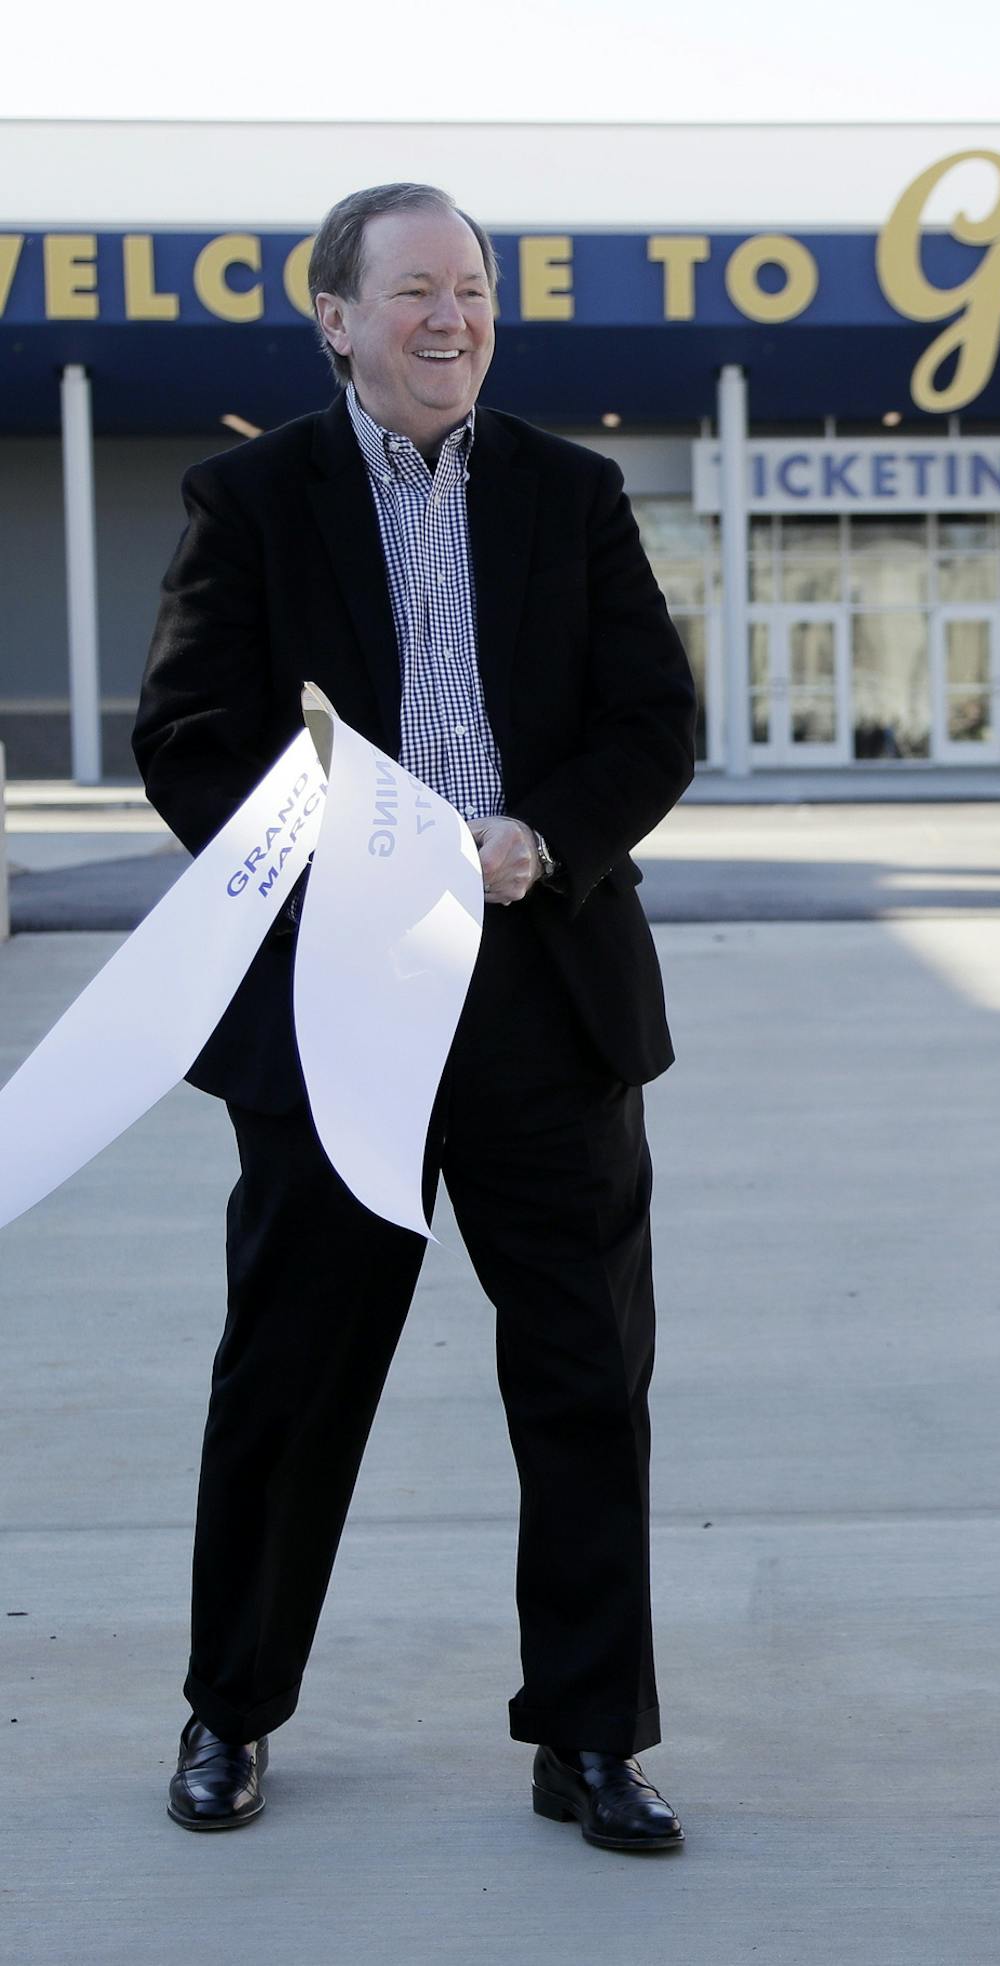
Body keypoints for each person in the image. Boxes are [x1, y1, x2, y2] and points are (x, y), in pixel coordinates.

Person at [133, 183, 698, 1850]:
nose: (451, 318)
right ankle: (229, 1711)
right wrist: (347, 869)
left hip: (547, 994)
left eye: (474, 290)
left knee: (589, 1380)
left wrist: (547, 835)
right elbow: (188, 733)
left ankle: (592, 1736)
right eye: (414, 292)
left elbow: (650, 720)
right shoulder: (246, 498)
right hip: (336, 1005)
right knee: (291, 1379)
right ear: (335, 316)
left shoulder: (573, 494)